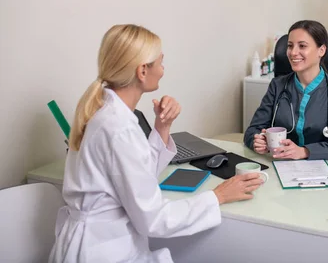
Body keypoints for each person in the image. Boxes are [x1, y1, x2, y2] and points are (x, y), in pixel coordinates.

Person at [50, 24, 263, 262]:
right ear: (142, 71)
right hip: (102, 250)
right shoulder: (119, 128)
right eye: (160, 62)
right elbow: (154, 219)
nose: (163, 70)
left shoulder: (106, 114)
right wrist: (217, 196)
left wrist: (162, 126)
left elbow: (138, 176)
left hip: (98, 243)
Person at [243, 20, 328, 160]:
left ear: (321, 50)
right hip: (280, 163)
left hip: (323, 168)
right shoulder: (277, 86)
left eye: (302, 46)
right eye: (290, 46)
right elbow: (252, 131)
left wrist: (304, 152)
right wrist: (257, 141)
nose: (293, 52)